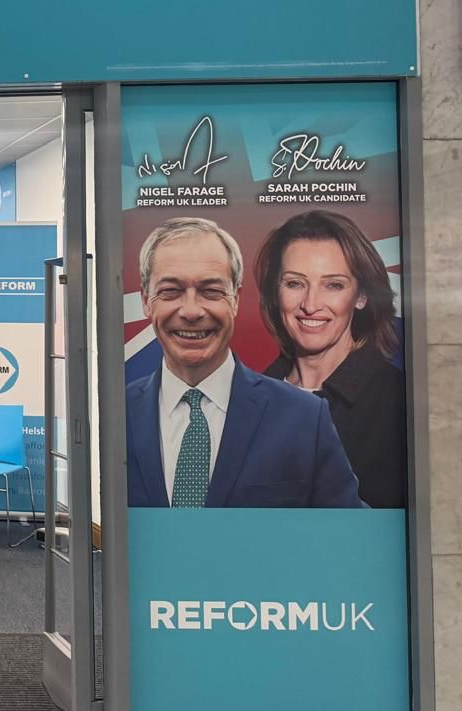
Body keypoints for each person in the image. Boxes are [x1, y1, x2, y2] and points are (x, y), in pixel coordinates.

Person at [125, 216, 362, 509]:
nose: (190, 310)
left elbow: (349, 537)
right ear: (146, 300)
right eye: (171, 291)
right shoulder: (112, 418)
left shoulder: (305, 419)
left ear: (235, 299)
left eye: (211, 291)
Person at [255, 210, 407, 509]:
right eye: (295, 283)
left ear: (361, 296)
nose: (310, 304)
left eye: (333, 285)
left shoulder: (398, 401)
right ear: (276, 292)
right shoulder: (248, 399)